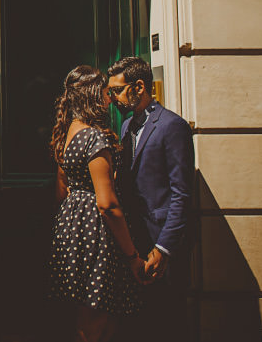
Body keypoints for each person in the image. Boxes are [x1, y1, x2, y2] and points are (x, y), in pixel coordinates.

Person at [49, 65, 147, 342]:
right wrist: (132, 256)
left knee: (90, 314)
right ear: (93, 96)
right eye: (105, 93)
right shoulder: (93, 137)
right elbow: (107, 204)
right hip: (96, 233)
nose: (109, 99)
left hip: (71, 230)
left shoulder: (68, 131)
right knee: (97, 318)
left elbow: (60, 192)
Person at [107, 56, 194, 341]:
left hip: (160, 243)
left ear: (139, 86)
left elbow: (182, 193)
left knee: (168, 321)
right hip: (132, 244)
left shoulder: (172, 126)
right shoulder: (126, 126)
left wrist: (164, 248)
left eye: (117, 90)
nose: (112, 98)